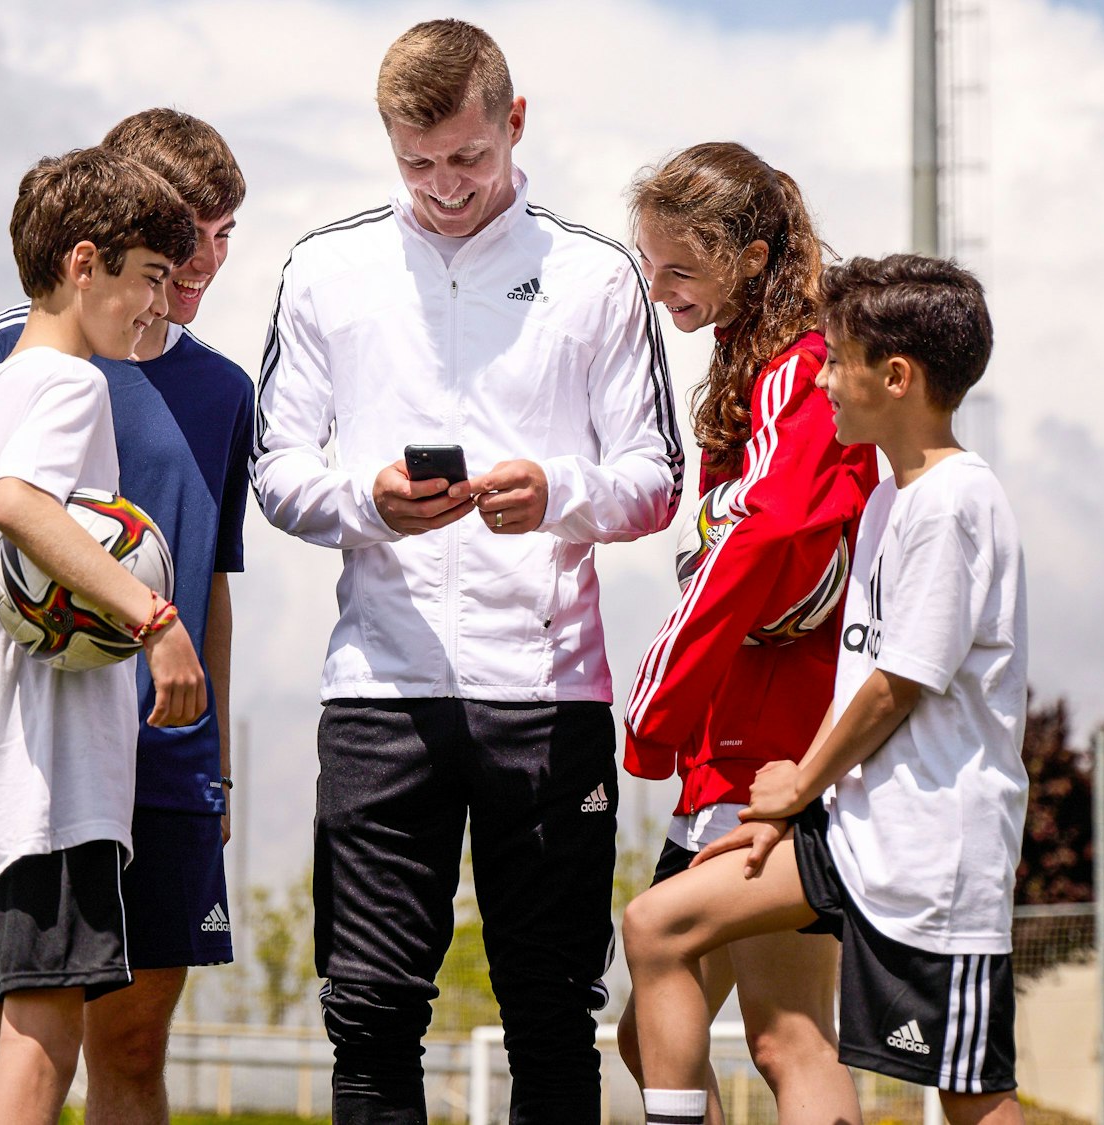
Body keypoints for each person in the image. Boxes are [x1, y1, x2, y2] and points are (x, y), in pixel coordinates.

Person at [252, 18, 682, 1122]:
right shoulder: (325, 268)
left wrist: (558, 493)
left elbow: (655, 477)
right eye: (417, 163)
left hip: (547, 696)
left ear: (515, 122)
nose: (445, 187)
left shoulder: (596, 275)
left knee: (551, 1014)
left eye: (467, 157)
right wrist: (369, 503)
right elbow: (276, 469)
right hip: (378, 692)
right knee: (369, 1014)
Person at [0, 110, 252, 1125]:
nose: (186, 275)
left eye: (218, 237)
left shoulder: (215, 388)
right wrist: (149, 618)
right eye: (161, 260)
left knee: (96, 1037)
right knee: (21, 1035)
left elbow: (208, 578)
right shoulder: (41, 371)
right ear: (90, 258)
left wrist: (214, 753)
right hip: (47, 769)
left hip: (121, 766)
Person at [623, 255, 1027, 1125]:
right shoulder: (888, 500)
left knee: (969, 1089)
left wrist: (799, 782)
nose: (822, 378)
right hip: (853, 832)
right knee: (657, 924)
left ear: (896, 376)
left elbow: (898, 684)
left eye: (837, 360)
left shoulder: (954, 500)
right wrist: (800, 802)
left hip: (933, 851)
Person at [616, 142, 876, 1125]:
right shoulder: (757, 362)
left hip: (772, 747)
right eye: (651, 264)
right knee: (675, 1030)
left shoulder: (799, 369)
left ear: (752, 258)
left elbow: (762, 536)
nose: (659, 289)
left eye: (680, 267)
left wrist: (655, 707)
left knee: (785, 1036)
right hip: (736, 745)